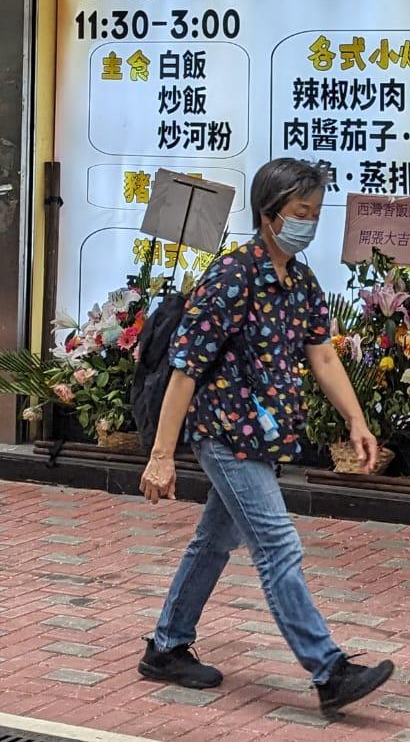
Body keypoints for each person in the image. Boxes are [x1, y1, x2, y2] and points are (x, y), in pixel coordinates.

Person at [137, 159, 393, 717]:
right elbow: (185, 367)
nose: (309, 223)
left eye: (316, 213)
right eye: (300, 213)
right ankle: (328, 670)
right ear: (268, 214)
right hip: (226, 432)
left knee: (213, 542)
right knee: (278, 544)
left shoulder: (299, 280)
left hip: (266, 436)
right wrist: (161, 457)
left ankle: (166, 646)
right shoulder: (233, 275)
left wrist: (356, 420)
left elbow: (322, 354)